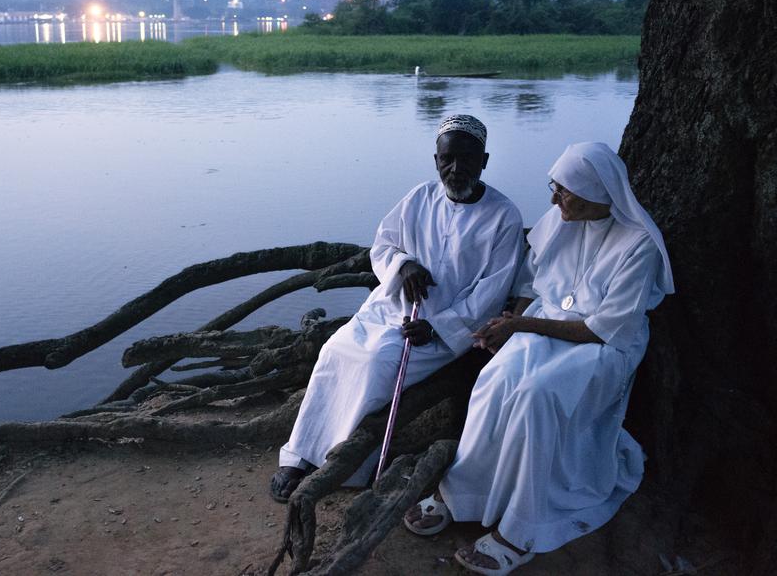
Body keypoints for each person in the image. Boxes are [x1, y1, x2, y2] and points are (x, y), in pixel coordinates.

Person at [403, 142, 674, 576]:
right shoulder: (560, 219)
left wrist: (521, 327)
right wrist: (509, 322)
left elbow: (601, 329)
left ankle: (521, 529)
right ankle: (463, 493)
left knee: (537, 395)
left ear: (597, 192)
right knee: (496, 377)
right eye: (555, 187)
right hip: (545, 324)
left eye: (564, 192)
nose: (553, 200)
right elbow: (534, 284)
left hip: (604, 347)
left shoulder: (638, 245)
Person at [269, 115, 525, 502]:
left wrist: (439, 328)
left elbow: (491, 292)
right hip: (389, 308)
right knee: (334, 351)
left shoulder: (504, 216)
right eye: (447, 160)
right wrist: (404, 265)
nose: (455, 170)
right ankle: (298, 455)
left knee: (376, 363)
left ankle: (341, 463)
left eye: (467, 160)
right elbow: (383, 246)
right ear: (436, 159)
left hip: (441, 331)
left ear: (485, 161)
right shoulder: (419, 197)